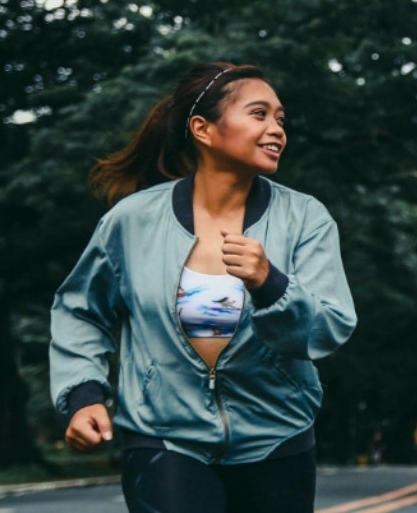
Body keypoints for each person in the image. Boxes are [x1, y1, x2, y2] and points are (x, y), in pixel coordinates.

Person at [49, 62, 358, 513]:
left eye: (280, 118)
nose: (277, 129)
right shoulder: (132, 222)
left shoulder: (304, 219)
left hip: (277, 438)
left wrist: (270, 283)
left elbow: (328, 327)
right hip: (165, 438)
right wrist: (84, 396)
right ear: (203, 129)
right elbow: (80, 310)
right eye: (259, 114)